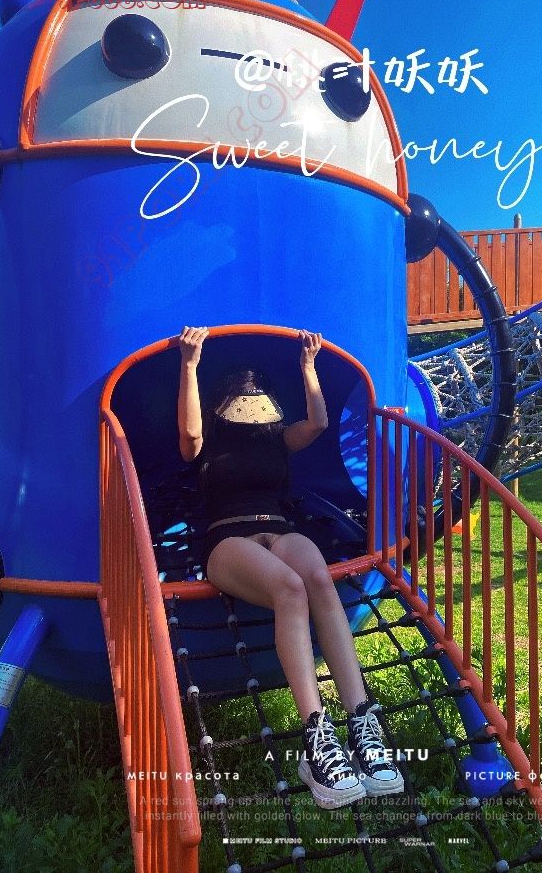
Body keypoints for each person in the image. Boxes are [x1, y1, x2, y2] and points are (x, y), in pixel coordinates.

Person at [177, 326, 404, 810]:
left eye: (255, 393)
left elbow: (318, 423)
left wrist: (308, 367)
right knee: (289, 588)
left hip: (279, 530)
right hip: (228, 540)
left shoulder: (277, 437)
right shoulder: (208, 442)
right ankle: (316, 737)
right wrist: (190, 365)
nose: (249, 400)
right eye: (240, 394)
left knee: (317, 578)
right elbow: (190, 435)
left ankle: (362, 719)